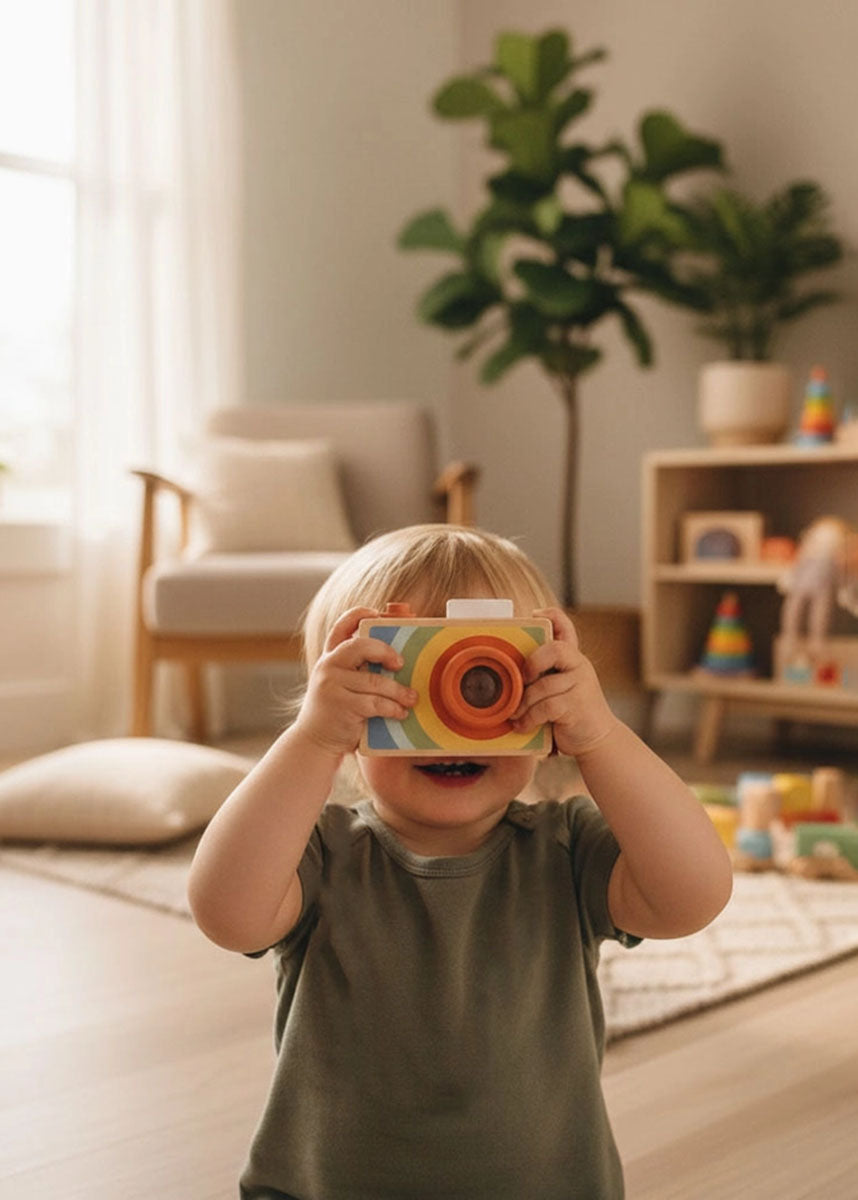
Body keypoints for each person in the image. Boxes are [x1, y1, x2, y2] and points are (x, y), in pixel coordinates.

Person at [188, 524, 733, 1200]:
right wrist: (312, 740)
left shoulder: (564, 848)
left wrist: (602, 735)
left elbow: (695, 895)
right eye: (404, 668)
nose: (456, 702)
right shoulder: (321, 852)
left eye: (488, 673)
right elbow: (226, 914)